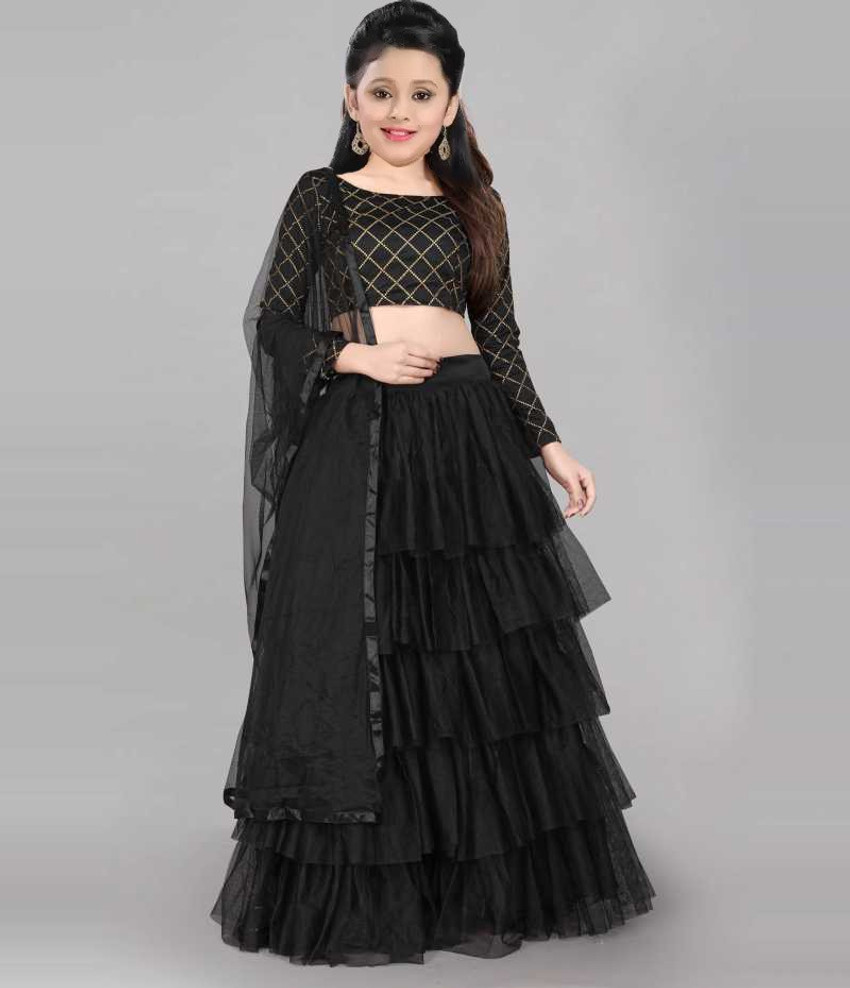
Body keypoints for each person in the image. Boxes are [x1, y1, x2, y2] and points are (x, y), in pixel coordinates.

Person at [209, 1, 656, 966]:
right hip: (360, 436)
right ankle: (381, 883)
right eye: (382, 93)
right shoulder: (322, 198)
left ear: (451, 106)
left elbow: (500, 338)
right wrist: (352, 356)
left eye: (422, 95)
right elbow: (272, 324)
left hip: (468, 438)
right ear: (351, 100)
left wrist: (550, 445)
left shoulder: (476, 207)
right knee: (371, 644)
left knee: (471, 658)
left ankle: (476, 878)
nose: (400, 111)